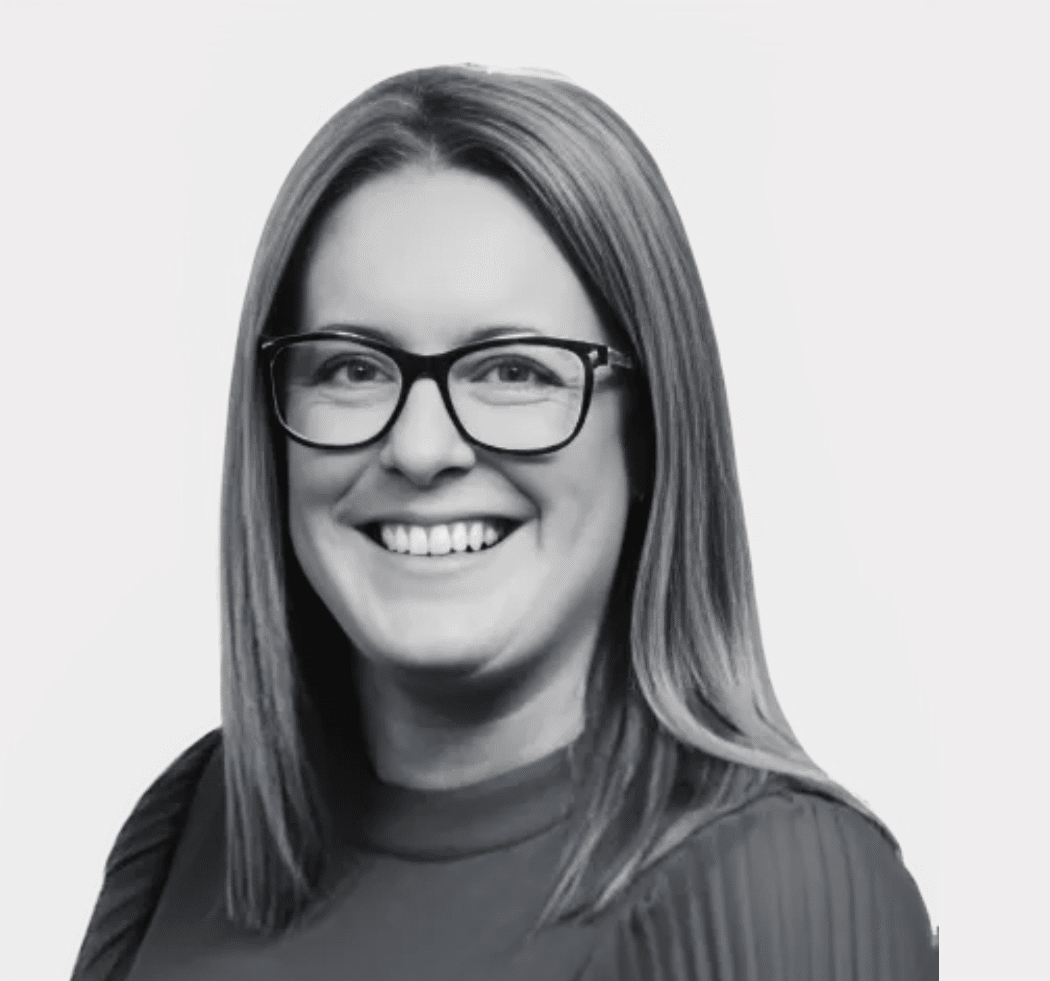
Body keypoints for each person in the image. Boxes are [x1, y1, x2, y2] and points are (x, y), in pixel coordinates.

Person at [72, 64, 937, 981]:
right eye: (352, 368)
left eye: (513, 370)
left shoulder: (776, 889)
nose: (419, 447)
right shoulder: (192, 827)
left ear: (647, 433)